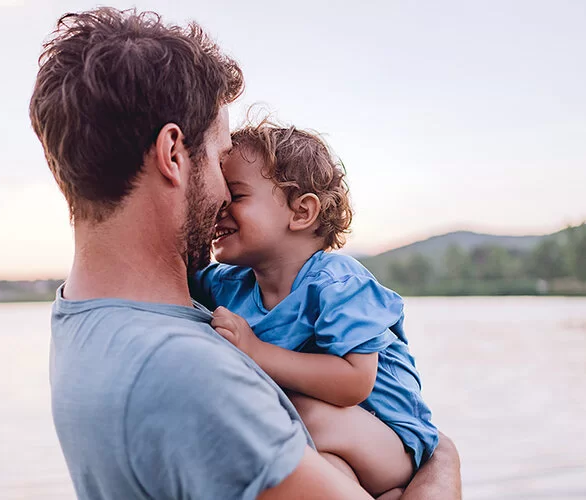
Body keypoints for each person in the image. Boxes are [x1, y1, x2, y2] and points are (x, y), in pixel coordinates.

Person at [29, 6, 461, 499]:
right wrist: (444, 459)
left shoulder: (86, 316)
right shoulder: (189, 371)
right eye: (217, 157)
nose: (222, 198)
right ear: (173, 155)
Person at [190, 121, 438, 498]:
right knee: (319, 469)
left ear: (302, 212)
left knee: (292, 414)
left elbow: (355, 382)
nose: (218, 210)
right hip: (331, 447)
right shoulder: (227, 283)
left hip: (392, 442)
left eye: (235, 197)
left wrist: (256, 351)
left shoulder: (337, 283)